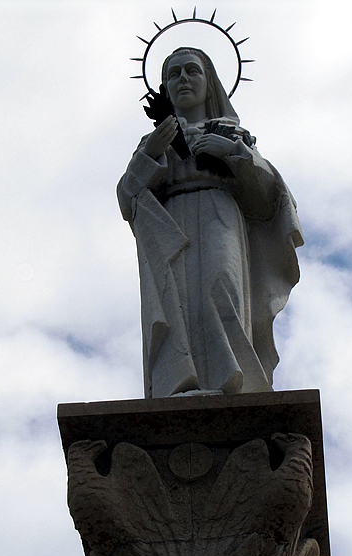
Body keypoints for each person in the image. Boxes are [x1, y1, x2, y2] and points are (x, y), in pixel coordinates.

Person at [117, 47, 303, 399]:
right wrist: (152, 152)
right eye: (174, 74)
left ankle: (228, 383)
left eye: (192, 71)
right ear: (165, 87)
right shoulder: (153, 141)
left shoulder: (232, 134)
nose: (183, 79)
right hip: (169, 225)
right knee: (177, 300)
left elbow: (269, 196)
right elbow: (128, 196)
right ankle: (180, 384)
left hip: (220, 214)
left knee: (220, 291)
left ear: (209, 82)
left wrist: (231, 152)